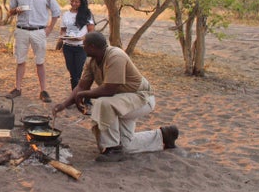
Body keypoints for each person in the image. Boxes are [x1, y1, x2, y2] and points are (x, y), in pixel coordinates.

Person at [52, 32, 179, 162]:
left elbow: (109, 89)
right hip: (121, 101)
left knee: (103, 103)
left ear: (93, 46)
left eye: (85, 45)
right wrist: (63, 105)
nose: (83, 47)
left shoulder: (115, 56)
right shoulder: (92, 61)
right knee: (126, 145)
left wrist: (83, 95)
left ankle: (112, 149)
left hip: (141, 98)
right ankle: (164, 136)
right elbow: (81, 86)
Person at [7, 0, 61, 102]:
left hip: (39, 31)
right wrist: (16, 10)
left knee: (40, 62)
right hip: (21, 30)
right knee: (20, 61)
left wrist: (49, 29)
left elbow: (56, 11)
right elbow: (10, 12)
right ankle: (17, 88)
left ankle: (43, 91)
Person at [56, 0, 95, 91]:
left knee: (78, 73)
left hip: (81, 47)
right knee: (72, 73)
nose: (74, 3)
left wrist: (82, 38)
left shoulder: (87, 14)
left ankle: (84, 97)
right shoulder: (66, 15)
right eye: (72, 1)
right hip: (68, 47)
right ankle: (77, 97)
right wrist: (62, 38)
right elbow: (63, 30)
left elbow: (91, 31)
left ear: (81, 2)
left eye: (76, 2)